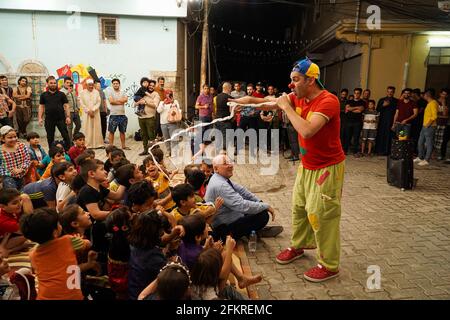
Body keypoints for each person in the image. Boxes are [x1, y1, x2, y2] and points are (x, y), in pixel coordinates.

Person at [230, 58, 345, 282]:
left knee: (321, 214)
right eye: (290, 80)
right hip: (307, 165)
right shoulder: (297, 97)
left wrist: (285, 107)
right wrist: (245, 101)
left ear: (311, 80)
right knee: (300, 208)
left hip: (327, 167)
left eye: (295, 80)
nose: (291, 85)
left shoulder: (327, 101)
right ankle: (299, 245)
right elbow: (268, 103)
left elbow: (308, 130)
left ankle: (330, 265)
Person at [204, 154, 282, 241]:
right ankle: (251, 232)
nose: (230, 165)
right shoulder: (220, 185)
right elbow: (242, 205)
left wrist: (260, 202)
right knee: (263, 215)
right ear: (216, 169)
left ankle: (252, 231)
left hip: (231, 217)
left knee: (257, 207)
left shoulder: (219, 177)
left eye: (230, 162)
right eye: (226, 164)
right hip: (223, 228)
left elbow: (242, 191)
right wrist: (265, 206)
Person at [20, 207, 90, 300]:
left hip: (44, 297)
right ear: (55, 232)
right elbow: (87, 244)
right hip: (73, 295)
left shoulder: (32, 255)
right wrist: (81, 241)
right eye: (58, 224)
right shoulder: (68, 240)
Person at [38, 76, 72, 149]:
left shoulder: (61, 94)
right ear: (47, 84)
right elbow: (41, 107)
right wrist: (40, 118)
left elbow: (66, 106)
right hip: (49, 120)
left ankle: (68, 151)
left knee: (66, 136)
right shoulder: (43, 95)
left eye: (54, 83)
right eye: (51, 83)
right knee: (50, 137)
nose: (53, 84)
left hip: (61, 119)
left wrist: (68, 117)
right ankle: (52, 152)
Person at [414, 89, 439, 166]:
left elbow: (434, 116)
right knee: (420, 142)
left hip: (430, 126)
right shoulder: (429, 103)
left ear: (427, 95)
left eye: (424, 95)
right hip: (424, 126)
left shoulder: (433, 103)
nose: (423, 96)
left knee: (429, 143)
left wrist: (428, 124)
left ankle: (426, 159)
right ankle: (420, 157)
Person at [136, 79, 160, 156]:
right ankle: (145, 150)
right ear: (148, 85)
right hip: (141, 117)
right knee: (143, 134)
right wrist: (138, 102)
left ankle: (154, 151)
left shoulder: (156, 94)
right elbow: (135, 103)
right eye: (150, 85)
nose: (151, 87)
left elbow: (155, 105)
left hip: (150, 117)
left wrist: (145, 103)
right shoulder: (143, 93)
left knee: (151, 135)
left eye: (153, 86)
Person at [107, 79, 129, 150]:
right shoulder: (110, 92)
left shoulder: (123, 92)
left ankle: (123, 146)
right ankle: (111, 146)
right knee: (111, 131)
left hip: (122, 115)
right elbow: (111, 101)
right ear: (112, 85)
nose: (116, 85)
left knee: (122, 131)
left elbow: (126, 100)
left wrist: (116, 101)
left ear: (119, 84)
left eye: (117, 83)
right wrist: (120, 101)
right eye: (114, 83)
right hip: (113, 115)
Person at [157, 89, 181, 156]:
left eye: (170, 94)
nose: (168, 95)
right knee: (166, 138)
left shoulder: (175, 101)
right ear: (165, 94)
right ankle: (168, 151)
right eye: (167, 93)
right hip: (163, 123)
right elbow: (158, 111)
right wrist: (164, 103)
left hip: (172, 122)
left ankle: (174, 152)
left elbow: (178, 110)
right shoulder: (162, 102)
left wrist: (173, 103)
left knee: (174, 138)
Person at [80, 79, 103, 149]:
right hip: (86, 114)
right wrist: (88, 111)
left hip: (95, 113)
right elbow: (81, 103)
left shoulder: (96, 92)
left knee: (96, 128)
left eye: (92, 85)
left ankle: (98, 144)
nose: (91, 86)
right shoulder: (82, 92)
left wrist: (93, 110)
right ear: (86, 85)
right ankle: (87, 145)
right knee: (87, 129)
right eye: (89, 85)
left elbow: (99, 102)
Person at [375, 86, 398, 155]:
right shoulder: (382, 100)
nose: (390, 93)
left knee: (389, 136)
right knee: (381, 135)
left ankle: (388, 151)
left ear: (394, 92)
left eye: (391, 92)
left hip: (391, 121)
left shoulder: (396, 101)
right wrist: (383, 105)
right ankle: (379, 150)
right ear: (386, 92)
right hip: (382, 121)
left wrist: (394, 122)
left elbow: (397, 112)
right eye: (388, 91)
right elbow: (377, 110)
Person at [343, 88, 365, 156]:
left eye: (358, 93)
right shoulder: (349, 101)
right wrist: (356, 108)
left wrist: (351, 109)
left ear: (360, 94)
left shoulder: (363, 102)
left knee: (356, 137)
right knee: (347, 137)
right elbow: (347, 108)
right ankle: (345, 151)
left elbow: (360, 110)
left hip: (357, 122)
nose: (356, 94)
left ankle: (355, 151)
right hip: (349, 121)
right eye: (355, 93)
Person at [60, 77, 82, 142]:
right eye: (67, 83)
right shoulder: (61, 91)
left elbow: (76, 99)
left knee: (79, 125)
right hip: (68, 112)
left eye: (70, 83)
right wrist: (67, 92)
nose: (69, 84)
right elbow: (61, 100)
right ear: (64, 83)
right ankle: (69, 142)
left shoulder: (73, 90)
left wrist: (78, 107)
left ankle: (73, 137)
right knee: (69, 128)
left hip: (75, 111)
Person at [434, 88, 449, 160]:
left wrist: (443, 103)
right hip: (435, 123)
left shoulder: (447, 103)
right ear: (440, 94)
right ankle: (432, 154)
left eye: (445, 95)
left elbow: (445, 114)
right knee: (433, 138)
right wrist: (441, 115)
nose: (444, 96)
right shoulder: (435, 102)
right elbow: (434, 114)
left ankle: (438, 154)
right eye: (443, 94)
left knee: (440, 140)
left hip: (443, 124)